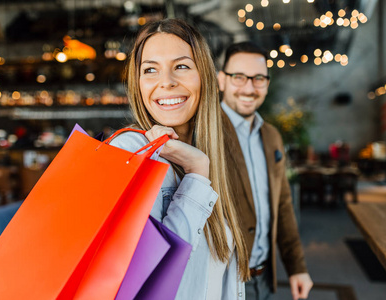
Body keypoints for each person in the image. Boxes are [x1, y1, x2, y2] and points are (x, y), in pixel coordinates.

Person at [110, 19, 250, 299]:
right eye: (150, 69)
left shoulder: (213, 153)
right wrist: (197, 173)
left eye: (182, 66)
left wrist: (199, 165)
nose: (167, 82)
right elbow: (148, 284)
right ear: (137, 84)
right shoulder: (128, 153)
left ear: (204, 77)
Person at [217, 41, 313, 300]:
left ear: (267, 84)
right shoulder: (205, 132)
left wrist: (296, 268)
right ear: (221, 80)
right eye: (239, 77)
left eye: (258, 78)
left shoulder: (271, 136)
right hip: (222, 282)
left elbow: (282, 205)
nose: (249, 88)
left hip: (266, 280)